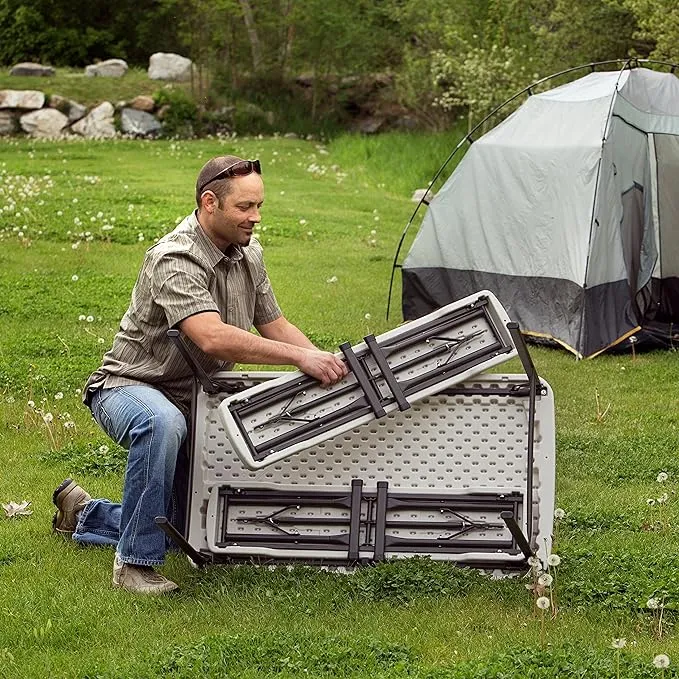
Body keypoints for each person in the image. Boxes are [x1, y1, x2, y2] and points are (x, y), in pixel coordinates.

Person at [52, 155, 348, 594]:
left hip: (200, 400)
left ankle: (84, 513)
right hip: (132, 387)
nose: (257, 217)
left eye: (259, 205)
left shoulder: (249, 253)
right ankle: (133, 565)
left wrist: (327, 363)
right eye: (245, 207)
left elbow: (275, 323)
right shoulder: (175, 257)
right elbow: (211, 337)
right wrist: (296, 359)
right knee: (161, 422)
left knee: (187, 529)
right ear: (210, 202)